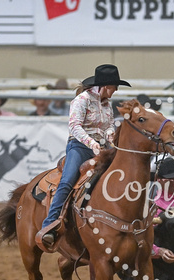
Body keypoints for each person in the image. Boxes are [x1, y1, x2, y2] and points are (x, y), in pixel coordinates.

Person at [36, 64, 131, 249]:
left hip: (102, 147)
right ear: (104, 86)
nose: (113, 92)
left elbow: (109, 124)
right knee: (67, 180)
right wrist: (91, 143)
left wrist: (110, 134)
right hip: (79, 147)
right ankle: (49, 224)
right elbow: (74, 126)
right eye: (112, 88)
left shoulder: (106, 103)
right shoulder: (82, 100)